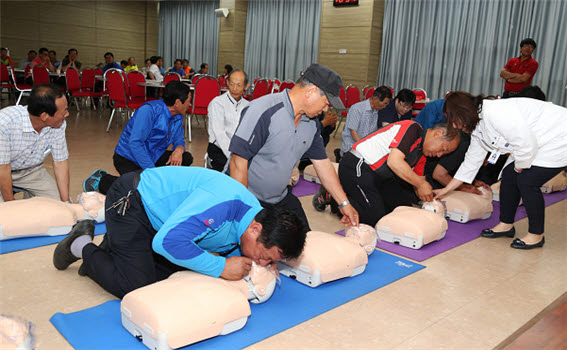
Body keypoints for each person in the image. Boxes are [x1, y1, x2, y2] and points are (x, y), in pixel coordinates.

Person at [54, 166, 308, 299]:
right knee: (136, 286)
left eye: (271, 262)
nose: (262, 263)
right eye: (265, 256)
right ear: (255, 229)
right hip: (133, 202)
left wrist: (265, 264)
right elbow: (167, 243)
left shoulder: (254, 218)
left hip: (165, 221)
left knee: (174, 277)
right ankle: (81, 244)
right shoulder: (222, 204)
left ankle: (111, 252)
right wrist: (221, 268)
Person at [227, 63, 359, 229]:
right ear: (311, 92)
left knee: (305, 241)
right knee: (259, 252)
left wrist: (344, 203)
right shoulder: (263, 110)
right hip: (249, 200)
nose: (326, 109)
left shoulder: (311, 123)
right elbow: (237, 163)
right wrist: (244, 215)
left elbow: (323, 165)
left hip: (280, 198)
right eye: (326, 103)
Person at [435, 91, 567, 250]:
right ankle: (506, 224)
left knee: (527, 181)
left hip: (559, 136)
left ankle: (536, 235)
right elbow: (471, 162)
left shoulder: (495, 113)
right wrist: (446, 189)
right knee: (509, 175)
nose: (454, 126)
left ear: (462, 112)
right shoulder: (477, 126)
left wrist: (520, 166)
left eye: (453, 120)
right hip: (536, 141)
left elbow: (525, 144)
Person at [335, 121, 459, 226]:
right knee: (375, 219)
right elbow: (394, 162)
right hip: (357, 166)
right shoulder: (413, 129)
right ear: (438, 134)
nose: (439, 155)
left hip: (381, 176)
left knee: (403, 211)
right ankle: (335, 197)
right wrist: (421, 184)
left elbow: (418, 181)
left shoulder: (424, 154)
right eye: (443, 149)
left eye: (444, 154)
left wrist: (428, 198)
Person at [82, 81, 194, 195]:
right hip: (128, 157)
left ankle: (159, 181)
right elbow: (135, 144)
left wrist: (179, 149)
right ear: (177, 102)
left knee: (186, 158)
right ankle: (102, 179)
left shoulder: (177, 116)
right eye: (189, 99)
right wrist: (152, 172)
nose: (190, 103)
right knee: (140, 189)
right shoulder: (149, 111)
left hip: (153, 155)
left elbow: (178, 138)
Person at [0, 84, 70, 202]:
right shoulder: (5, 123)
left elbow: (60, 162)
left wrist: (66, 202)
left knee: (58, 207)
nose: (67, 114)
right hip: (2, 170)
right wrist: (10, 205)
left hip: (31, 172)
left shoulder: (59, 124)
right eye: (64, 111)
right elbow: (3, 167)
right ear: (44, 116)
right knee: (4, 216)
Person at [206, 69, 250, 171]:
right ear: (227, 83)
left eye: (239, 85)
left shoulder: (248, 105)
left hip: (240, 149)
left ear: (246, 86)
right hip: (219, 148)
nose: (234, 88)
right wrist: (232, 156)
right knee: (236, 170)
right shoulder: (217, 103)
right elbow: (219, 133)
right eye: (232, 84)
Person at [340, 86, 392, 156]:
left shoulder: (376, 111)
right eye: (384, 103)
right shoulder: (357, 108)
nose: (385, 107)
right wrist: (364, 148)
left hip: (364, 147)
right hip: (351, 148)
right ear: (376, 99)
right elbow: (353, 132)